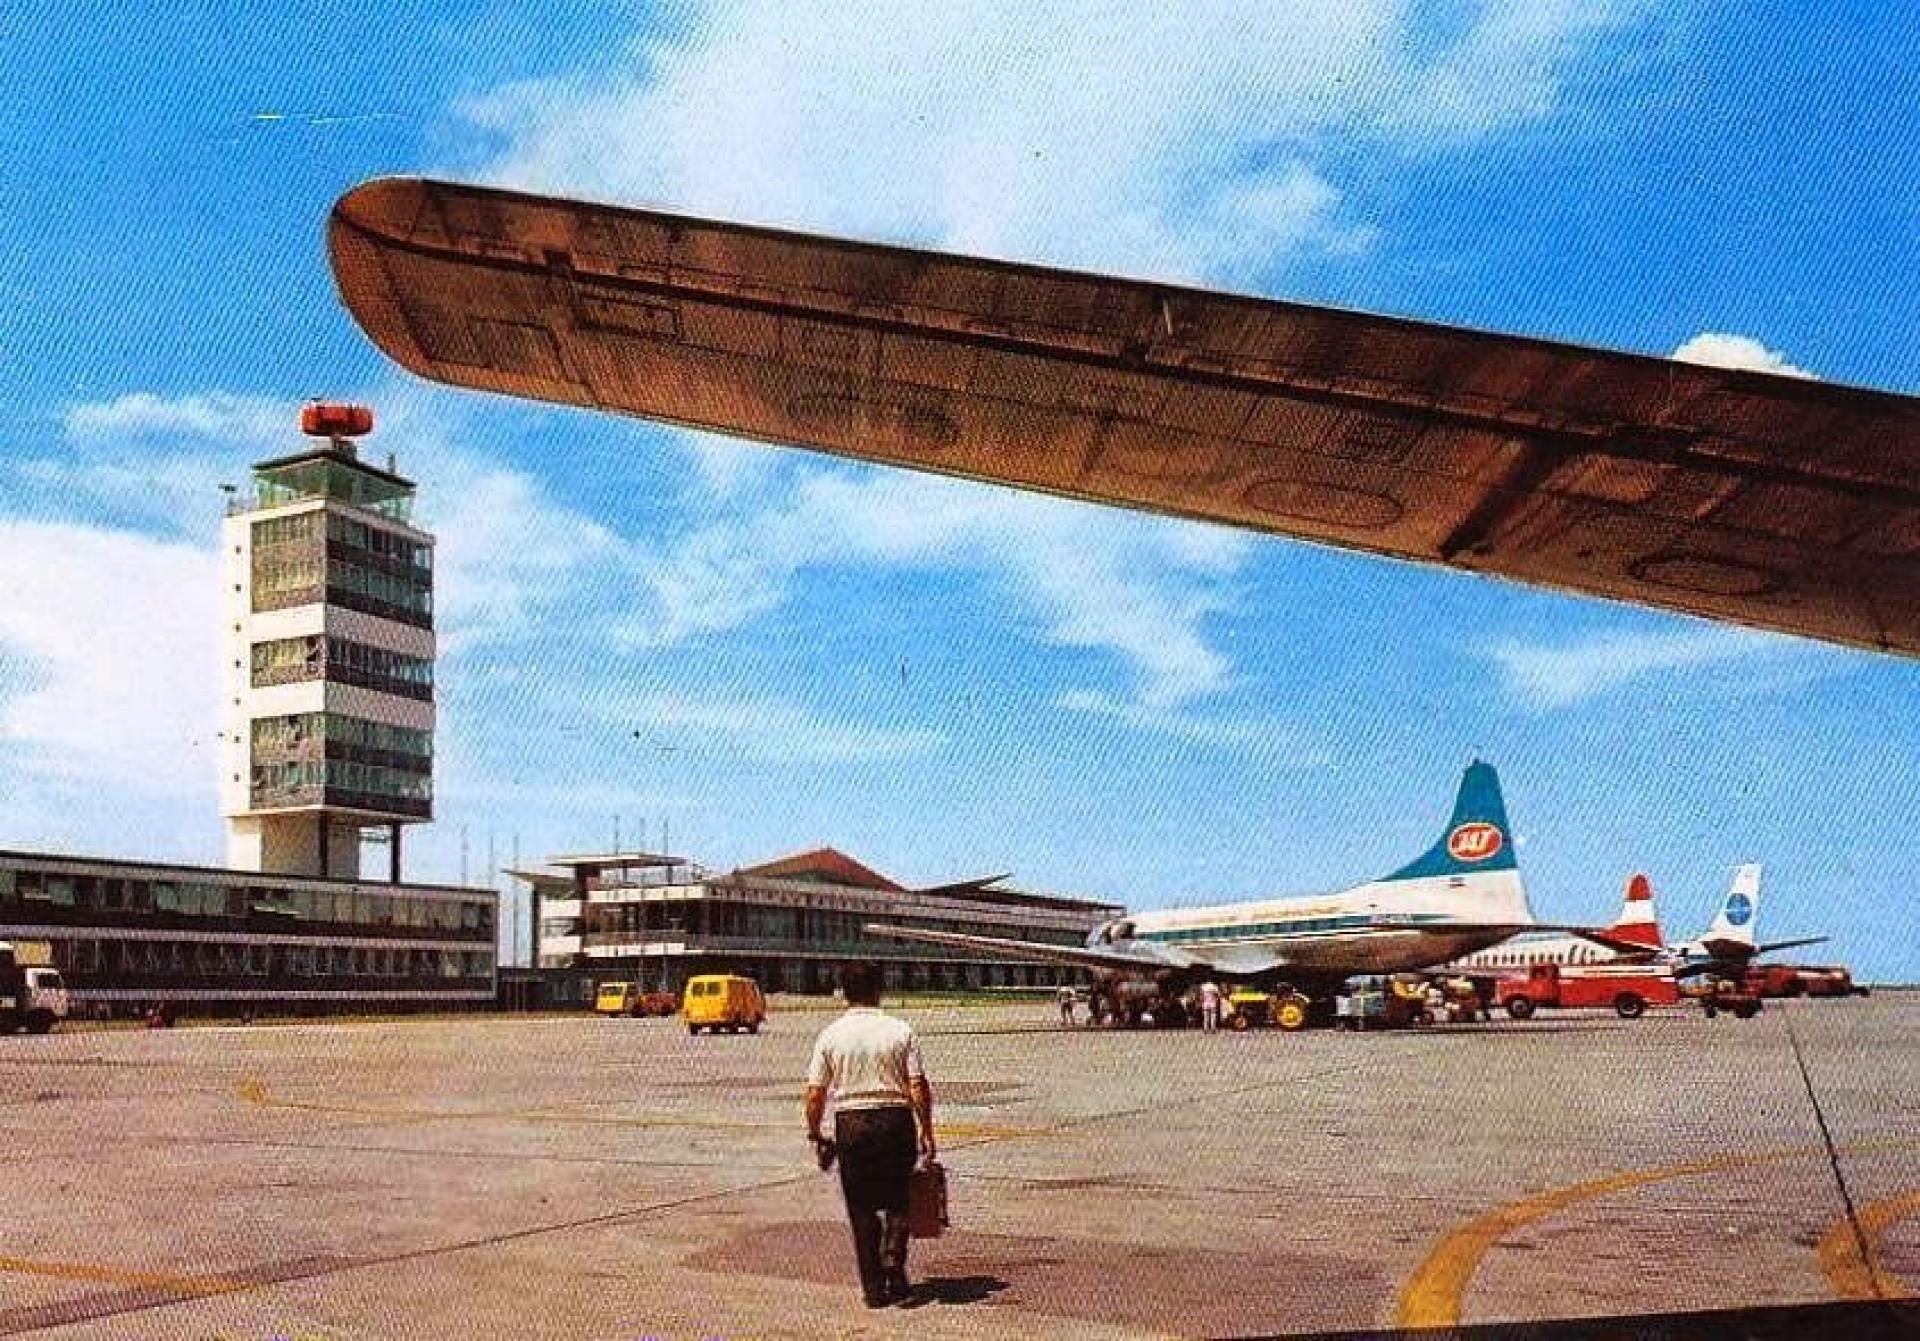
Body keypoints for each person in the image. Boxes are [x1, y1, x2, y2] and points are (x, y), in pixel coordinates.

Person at [804, 962, 937, 1308]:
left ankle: (875, 1291)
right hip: (895, 1120)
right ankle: (894, 1252)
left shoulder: (830, 1035)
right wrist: (926, 1130)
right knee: (899, 1197)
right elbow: (917, 1086)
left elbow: (815, 1092)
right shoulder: (900, 1030)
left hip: (852, 1124)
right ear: (879, 989)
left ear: (844, 992)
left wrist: (815, 1132)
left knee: (861, 1208)